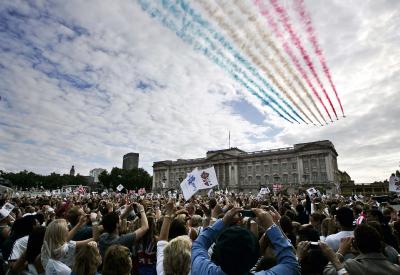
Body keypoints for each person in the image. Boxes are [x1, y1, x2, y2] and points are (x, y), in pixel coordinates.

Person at [191, 207, 299, 275]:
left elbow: (198, 245)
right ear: (255, 257)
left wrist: (223, 221)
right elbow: (291, 262)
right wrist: (270, 225)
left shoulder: (202, 269)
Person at [324, 224, 400, 275]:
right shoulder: (396, 269)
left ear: (355, 244)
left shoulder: (351, 266)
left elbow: (328, 272)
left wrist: (340, 251)